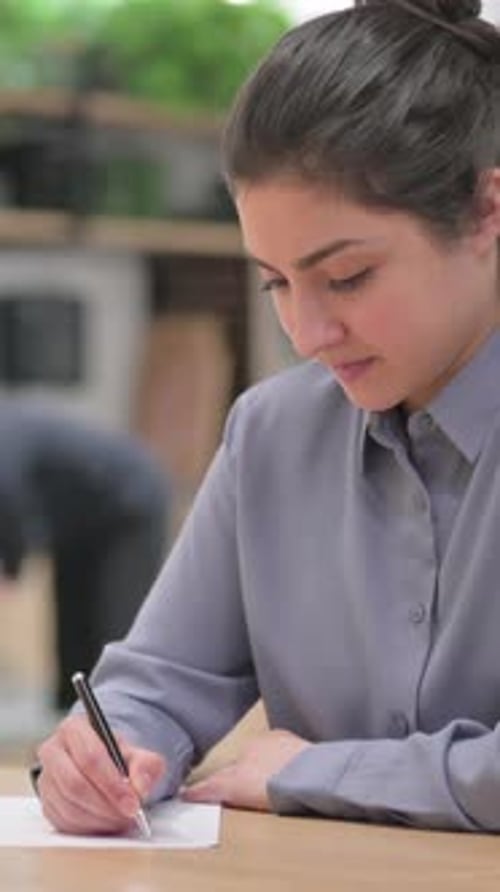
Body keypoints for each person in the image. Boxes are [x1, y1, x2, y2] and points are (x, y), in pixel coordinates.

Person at [34, 0, 500, 834]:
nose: (309, 335)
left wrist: (322, 771)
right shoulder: (272, 436)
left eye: (348, 276)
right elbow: (157, 683)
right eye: (276, 283)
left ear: (487, 212)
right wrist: (104, 753)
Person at [0, 399, 169, 710]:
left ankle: (123, 727)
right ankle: (68, 727)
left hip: (129, 508)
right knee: (72, 642)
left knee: (116, 635)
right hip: (77, 525)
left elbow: (7, 498)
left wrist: (9, 568)